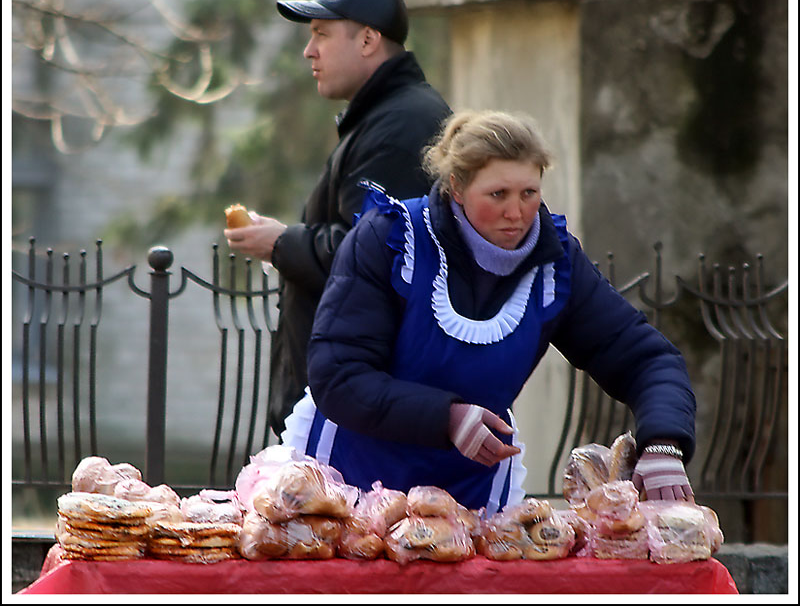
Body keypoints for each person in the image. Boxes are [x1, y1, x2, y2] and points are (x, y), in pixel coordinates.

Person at [281, 109, 697, 515]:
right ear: (457, 188)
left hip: (471, 493)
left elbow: (645, 358)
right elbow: (338, 375)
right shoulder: (390, 238)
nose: (516, 213)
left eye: (529, 194)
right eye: (498, 195)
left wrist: (662, 443)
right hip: (345, 484)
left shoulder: (555, 263)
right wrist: (446, 418)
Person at [224, 0, 451, 436]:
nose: (309, 51)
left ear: (368, 39)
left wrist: (282, 244)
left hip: (357, 408)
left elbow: (376, 253)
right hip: (353, 401)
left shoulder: (400, 126)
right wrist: (284, 240)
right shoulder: (387, 116)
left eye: (321, 34)